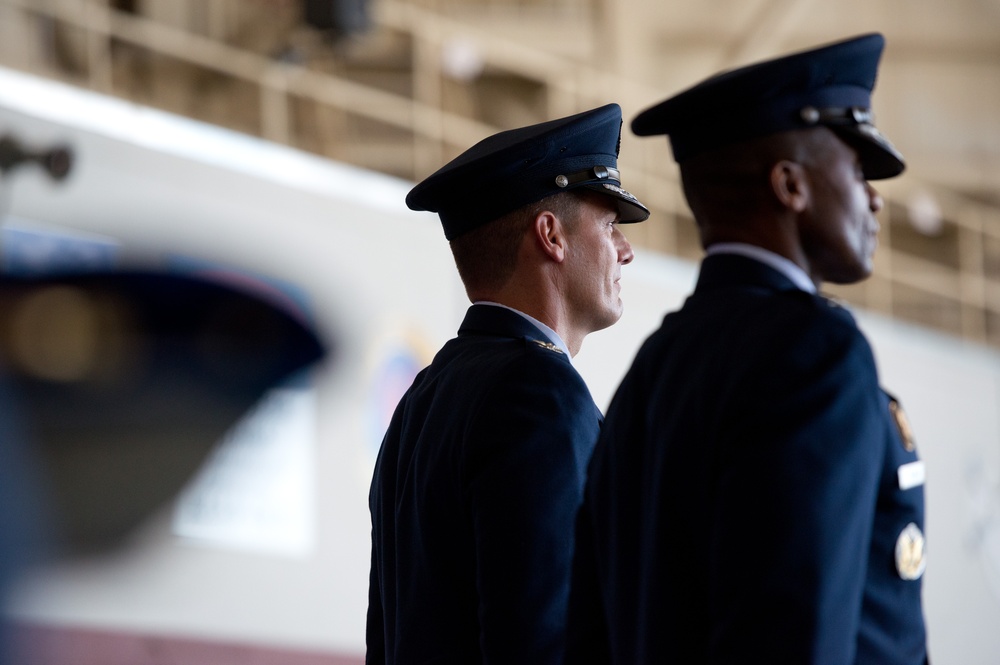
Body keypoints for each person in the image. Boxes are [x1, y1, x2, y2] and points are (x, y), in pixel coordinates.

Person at [566, 34, 928, 664]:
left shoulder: (654, 368)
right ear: (791, 186)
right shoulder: (813, 354)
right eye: (856, 168)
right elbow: (797, 636)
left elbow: (593, 632)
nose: (873, 196)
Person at [366, 103, 649, 664]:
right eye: (610, 226)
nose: (626, 251)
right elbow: (547, 641)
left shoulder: (423, 399)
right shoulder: (539, 395)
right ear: (551, 236)